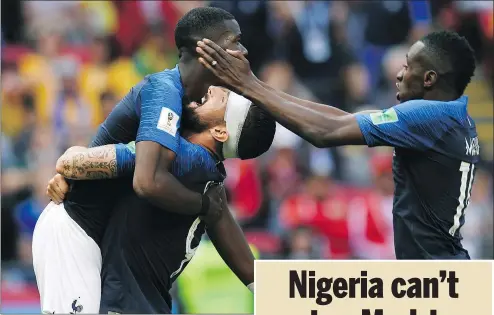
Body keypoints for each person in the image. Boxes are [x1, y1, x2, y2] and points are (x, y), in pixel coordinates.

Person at [31, 7, 250, 313]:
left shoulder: (192, 119)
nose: (243, 50)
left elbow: (218, 209)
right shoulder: (165, 91)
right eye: (234, 41)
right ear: (205, 48)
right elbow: (147, 180)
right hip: (74, 232)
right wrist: (203, 204)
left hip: (99, 238)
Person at [196, 30, 479, 259]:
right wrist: (259, 86)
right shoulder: (456, 119)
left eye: (407, 66)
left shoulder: (427, 117)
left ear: (429, 78)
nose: (399, 74)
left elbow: (325, 132)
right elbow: (342, 119)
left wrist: (247, 85)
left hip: (433, 278)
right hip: (445, 270)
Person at [41, 87, 275, 313]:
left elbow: (71, 164)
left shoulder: (177, 158)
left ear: (221, 132)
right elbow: (252, 273)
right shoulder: (211, 182)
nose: (211, 89)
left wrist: (71, 169)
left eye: (222, 99)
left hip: (125, 304)